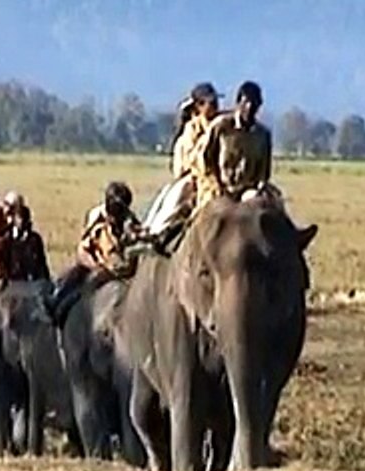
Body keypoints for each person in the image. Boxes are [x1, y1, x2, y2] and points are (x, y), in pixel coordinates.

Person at [148, 80, 275, 244]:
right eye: (210, 102)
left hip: (247, 189)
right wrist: (217, 185)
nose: (250, 108)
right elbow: (201, 161)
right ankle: (159, 233)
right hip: (211, 184)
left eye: (255, 104)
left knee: (270, 204)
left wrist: (258, 186)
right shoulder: (212, 128)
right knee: (181, 195)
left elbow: (264, 171)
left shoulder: (262, 135)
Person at [48, 181, 146, 325]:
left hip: (121, 271)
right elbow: (83, 249)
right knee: (75, 284)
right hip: (98, 265)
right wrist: (95, 266)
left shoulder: (130, 221)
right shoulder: (97, 218)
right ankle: (57, 308)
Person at [144, 83, 223, 234]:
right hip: (198, 179)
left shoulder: (224, 124)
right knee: (177, 195)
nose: (216, 107)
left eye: (216, 103)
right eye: (211, 103)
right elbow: (188, 163)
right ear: (199, 106)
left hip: (226, 178)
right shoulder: (192, 130)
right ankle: (156, 232)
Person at [5, 204, 51, 285]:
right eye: (19, 218)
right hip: (13, 282)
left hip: (32, 281)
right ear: (14, 220)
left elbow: (41, 262)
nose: (21, 221)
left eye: (24, 218)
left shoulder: (35, 239)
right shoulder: (8, 239)